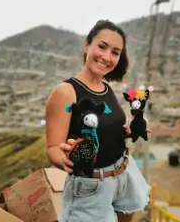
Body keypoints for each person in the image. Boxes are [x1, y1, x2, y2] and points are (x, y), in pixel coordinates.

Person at [45, 20, 150, 222]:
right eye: (102, 47)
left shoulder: (106, 88)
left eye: (115, 52)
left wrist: (126, 131)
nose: (106, 57)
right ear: (87, 45)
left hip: (123, 174)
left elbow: (107, 126)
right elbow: (52, 148)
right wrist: (65, 159)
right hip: (92, 185)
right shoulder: (66, 92)